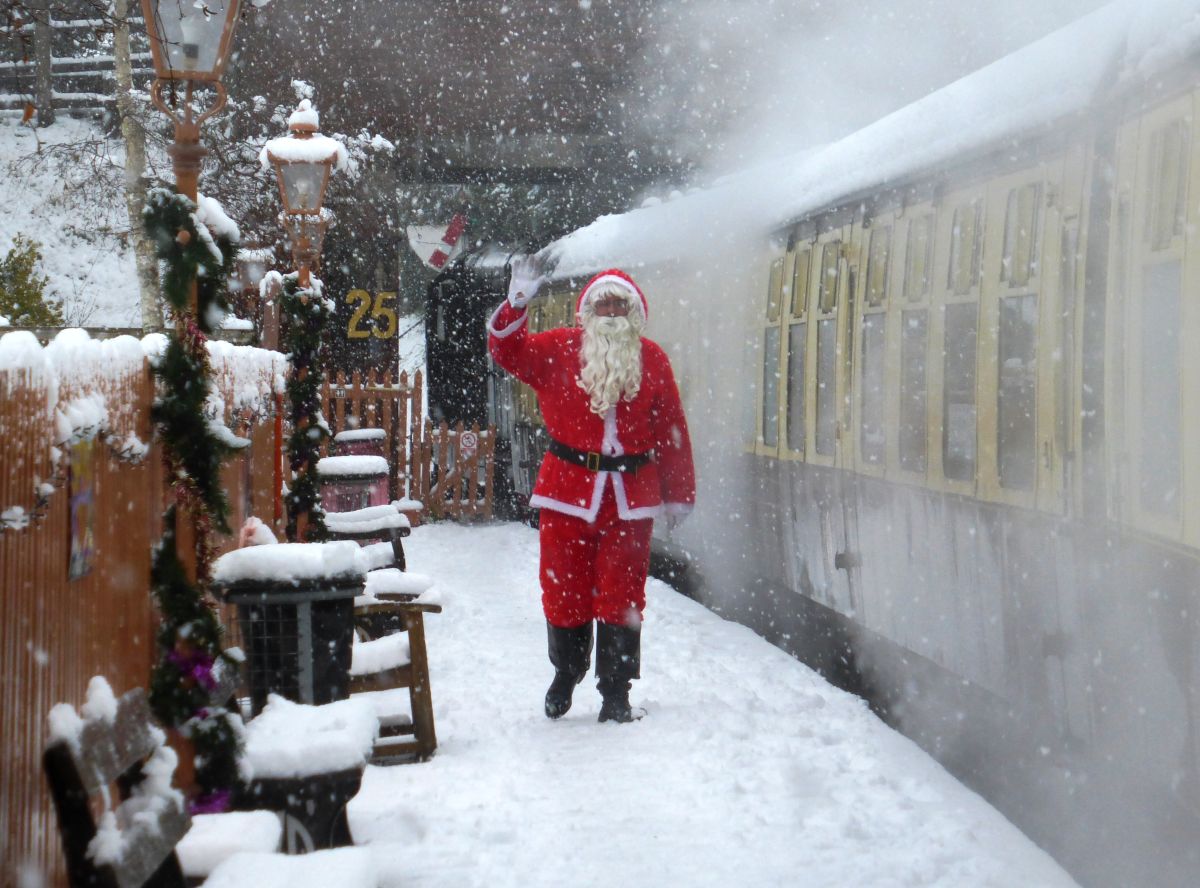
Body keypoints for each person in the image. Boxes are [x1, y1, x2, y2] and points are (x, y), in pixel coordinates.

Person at [487, 256, 696, 723]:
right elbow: (507, 351)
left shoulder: (653, 360)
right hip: (566, 492)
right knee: (563, 591)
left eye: (620, 305)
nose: (611, 311)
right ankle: (567, 672)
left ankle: (616, 693)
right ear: (586, 310)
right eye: (602, 303)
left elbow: (671, 431)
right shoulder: (559, 348)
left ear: (634, 314)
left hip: (630, 499)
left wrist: (678, 490)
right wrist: (515, 304)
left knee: (622, 597)